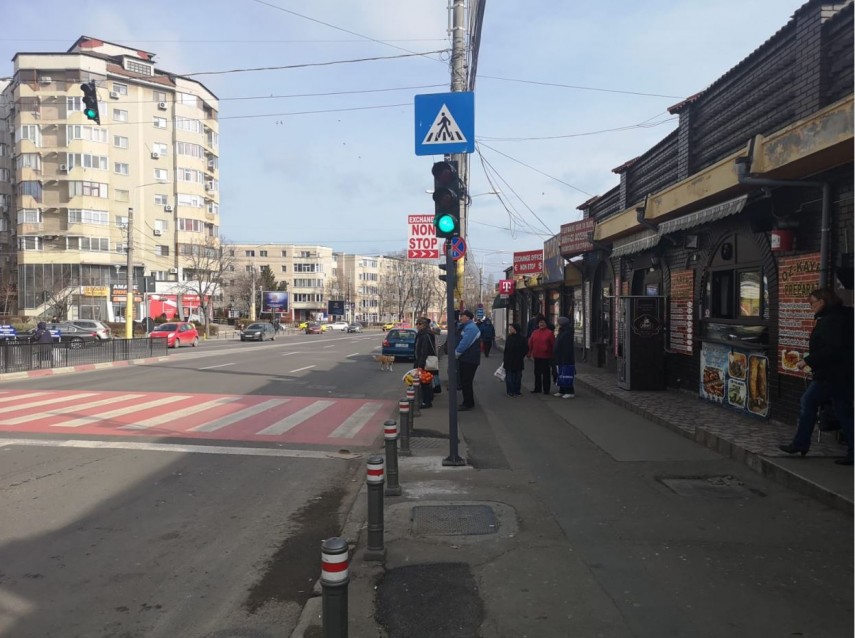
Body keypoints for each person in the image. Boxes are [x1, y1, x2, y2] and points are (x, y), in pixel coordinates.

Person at [779, 288, 854, 465]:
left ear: (822, 302)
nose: (810, 306)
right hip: (842, 374)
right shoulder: (841, 316)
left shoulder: (832, 320)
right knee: (844, 411)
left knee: (809, 401)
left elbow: (833, 349)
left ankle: (800, 443)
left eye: (812, 303)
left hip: (831, 374)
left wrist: (808, 361)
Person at [454, 310, 481, 411]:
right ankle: (468, 402)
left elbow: (465, 343)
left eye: (462, 316)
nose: (460, 318)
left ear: (468, 317)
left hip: (469, 359)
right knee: (466, 381)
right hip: (468, 358)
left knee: (466, 382)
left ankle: (468, 403)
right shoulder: (468, 327)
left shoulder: (470, 328)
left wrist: (456, 353)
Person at [527, 316, 556, 395]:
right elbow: (530, 343)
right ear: (538, 324)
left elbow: (553, 344)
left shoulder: (549, 333)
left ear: (546, 324)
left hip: (546, 356)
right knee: (537, 373)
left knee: (546, 373)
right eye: (540, 322)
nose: (541, 324)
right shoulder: (535, 332)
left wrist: (553, 355)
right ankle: (537, 388)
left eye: (543, 322)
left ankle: (546, 389)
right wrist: (529, 353)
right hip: (537, 356)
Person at [414, 317, 437, 409]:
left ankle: (426, 402)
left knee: (425, 382)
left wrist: (420, 365)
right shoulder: (422, 334)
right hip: (422, 361)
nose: (417, 325)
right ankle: (427, 400)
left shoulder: (425, 335)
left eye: (419, 324)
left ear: (424, 325)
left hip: (424, 362)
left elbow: (424, 351)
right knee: (426, 382)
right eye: (417, 324)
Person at [553, 316, 576, 398]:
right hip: (560, 357)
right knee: (561, 374)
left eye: (558, 322)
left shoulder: (567, 332)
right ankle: (562, 390)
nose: (557, 324)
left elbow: (566, 347)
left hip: (565, 357)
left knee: (567, 374)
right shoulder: (562, 331)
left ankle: (569, 391)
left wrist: (564, 356)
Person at [502, 322, 527, 397]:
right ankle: (510, 391)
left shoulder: (522, 338)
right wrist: (505, 359)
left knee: (517, 377)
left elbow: (526, 349)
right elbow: (506, 349)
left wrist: (521, 356)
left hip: (518, 360)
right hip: (509, 360)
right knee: (509, 377)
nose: (510, 329)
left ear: (515, 329)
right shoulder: (509, 337)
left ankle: (517, 391)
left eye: (511, 328)